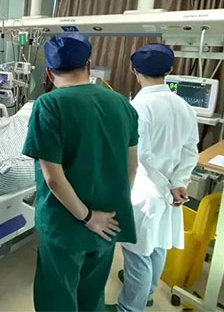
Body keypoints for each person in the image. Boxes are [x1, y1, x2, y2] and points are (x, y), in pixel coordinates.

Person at [22, 33, 139, 312]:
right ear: (89, 65)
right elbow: (131, 167)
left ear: (49, 72)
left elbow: (53, 178)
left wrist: (87, 217)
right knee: (92, 295)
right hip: (108, 222)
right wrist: (107, 211)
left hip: (65, 225)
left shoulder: (49, 105)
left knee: (57, 298)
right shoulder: (122, 104)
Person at [114, 44, 199, 312]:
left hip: (146, 191)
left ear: (134, 70)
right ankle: (147, 294)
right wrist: (179, 183)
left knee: (137, 252)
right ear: (170, 70)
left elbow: (141, 155)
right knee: (157, 245)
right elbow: (190, 149)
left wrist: (166, 187)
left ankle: (130, 307)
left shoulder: (139, 106)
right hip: (169, 191)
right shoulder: (183, 106)